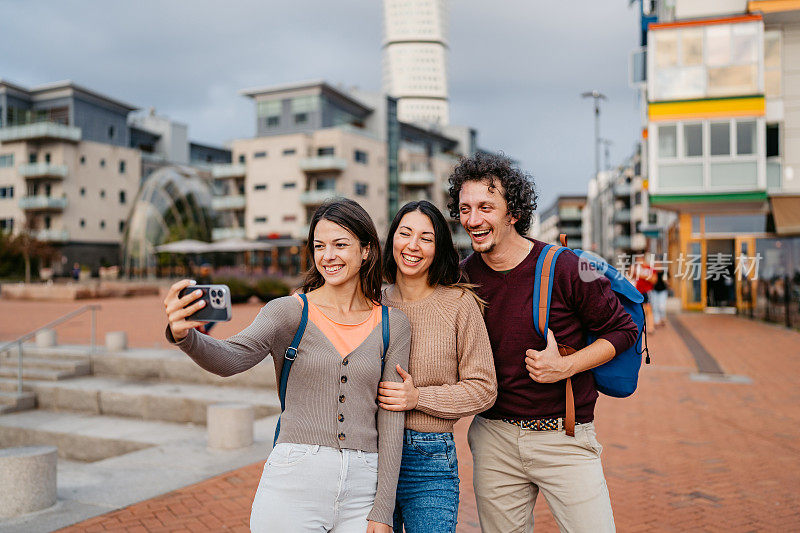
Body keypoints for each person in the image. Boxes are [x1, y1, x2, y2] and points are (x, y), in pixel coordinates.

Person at [162, 199, 411, 533]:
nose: (328, 256)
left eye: (340, 244)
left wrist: (383, 508)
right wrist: (184, 336)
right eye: (319, 246)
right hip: (295, 478)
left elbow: (392, 418)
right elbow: (231, 357)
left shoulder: (393, 324)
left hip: (364, 486)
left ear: (366, 250)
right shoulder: (289, 311)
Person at [448, 152, 639, 533]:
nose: (473, 220)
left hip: (565, 437)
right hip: (494, 439)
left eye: (486, 207)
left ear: (512, 213)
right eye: (465, 208)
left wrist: (566, 366)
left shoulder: (567, 266)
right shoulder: (462, 276)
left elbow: (622, 330)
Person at [376, 200, 497, 533]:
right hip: (369, 453)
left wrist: (419, 399)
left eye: (426, 238)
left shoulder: (459, 304)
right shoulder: (372, 303)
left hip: (429, 459)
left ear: (439, 247)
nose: (413, 246)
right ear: (392, 240)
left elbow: (484, 388)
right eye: (405, 233)